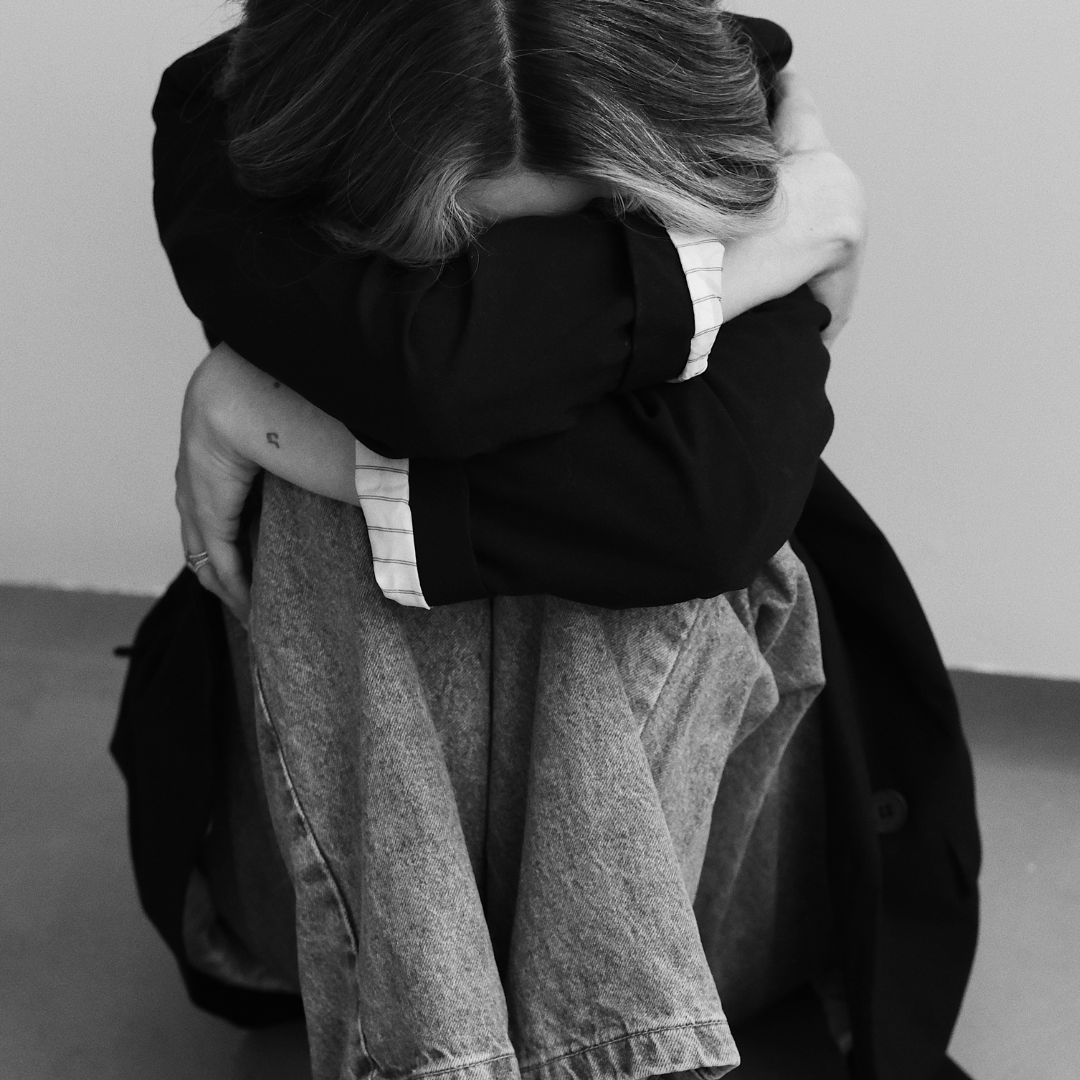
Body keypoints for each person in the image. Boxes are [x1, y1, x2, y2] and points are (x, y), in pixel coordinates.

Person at [112, 5, 979, 1080]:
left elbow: (693, 515)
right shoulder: (238, 110)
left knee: (593, 558)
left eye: (581, 235)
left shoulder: (707, 95)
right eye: (465, 271)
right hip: (331, 872)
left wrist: (280, 415)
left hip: (714, 884)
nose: (510, 289)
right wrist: (725, 262)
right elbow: (427, 379)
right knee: (342, 525)